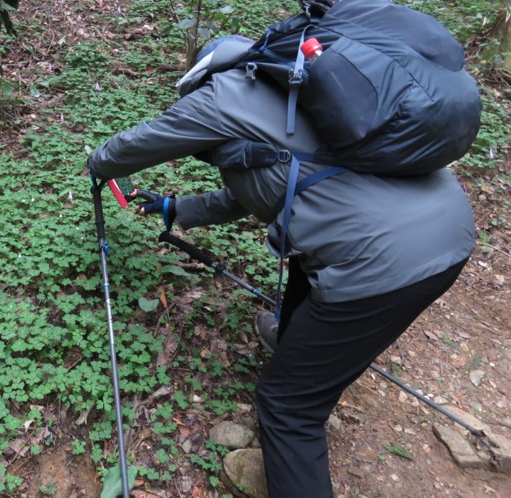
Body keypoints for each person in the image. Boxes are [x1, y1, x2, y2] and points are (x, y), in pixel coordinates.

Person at [86, 36, 475, 497]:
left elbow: (142, 143)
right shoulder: (300, 97)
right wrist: (178, 208)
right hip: (446, 234)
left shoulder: (222, 94)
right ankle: (292, 339)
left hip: (384, 263)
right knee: (310, 267)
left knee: (289, 407)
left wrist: (99, 161)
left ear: (203, 75)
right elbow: (267, 184)